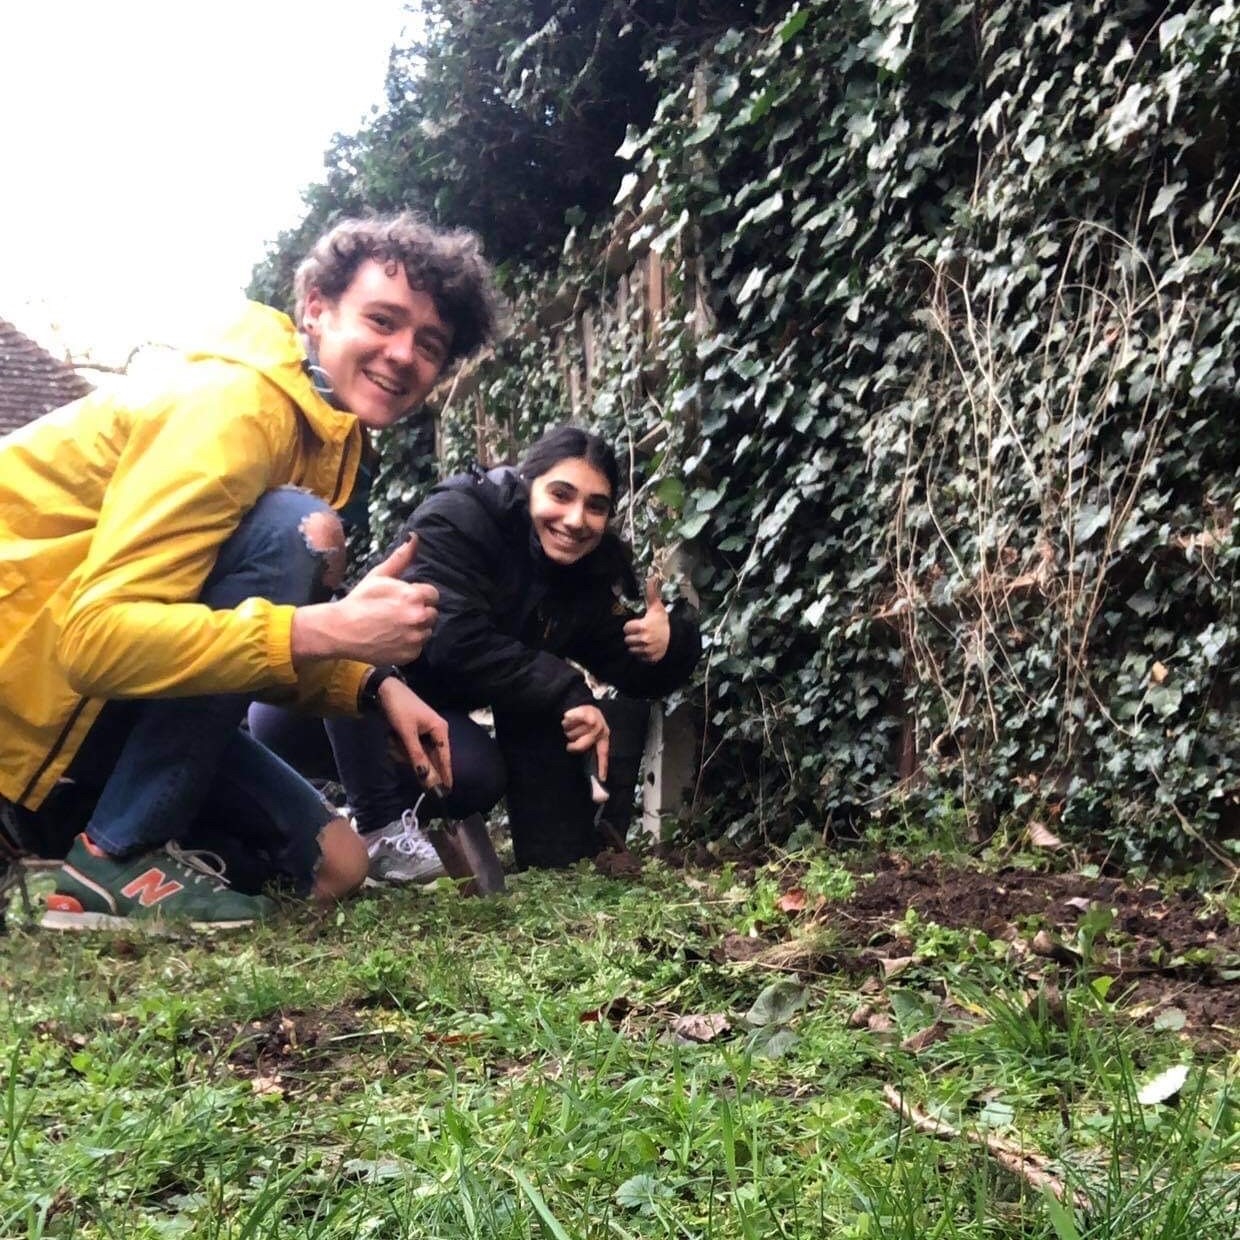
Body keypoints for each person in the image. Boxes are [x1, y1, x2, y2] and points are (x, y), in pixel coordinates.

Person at [0, 213, 501, 929]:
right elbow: (95, 640)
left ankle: (76, 840)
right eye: (383, 320)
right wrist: (324, 626)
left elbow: (234, 635)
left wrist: (370, 686)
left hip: (96, 706)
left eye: (430, 345)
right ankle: (114, 851)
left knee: (338, 866)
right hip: (29, 692)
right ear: (317, 308)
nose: (403, 354)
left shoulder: (328, 437)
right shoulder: (232, 408)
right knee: (293, 530)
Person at [250, 424, 701, 877]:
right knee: (380, 643)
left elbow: (629, 667)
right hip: (317, 703)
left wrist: (665, 643)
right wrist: (568, 688)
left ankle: (360, 818)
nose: (576, 519)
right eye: (561, 495)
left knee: (477, 777)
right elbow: (449, 639)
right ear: (529, 485)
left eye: (596, 506)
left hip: (427, 714)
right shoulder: (461, 516)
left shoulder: (581, 574)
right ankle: (376, 826)